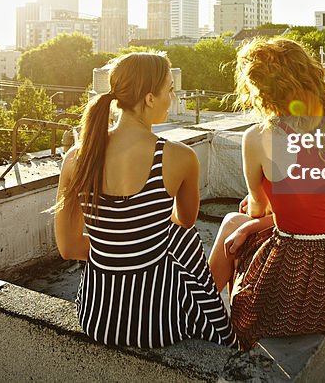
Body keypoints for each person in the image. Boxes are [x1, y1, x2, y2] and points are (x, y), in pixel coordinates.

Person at [54, 52, 235, 348]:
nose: (174, 98)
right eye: (170, 89)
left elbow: (68, 247)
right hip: (157, 323)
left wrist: (118, 250)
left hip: (97, 316)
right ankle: (221, 330)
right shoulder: (180, 157)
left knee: (167, 237)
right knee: (183, 238)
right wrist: (139, 247)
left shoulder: (77, 157)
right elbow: (186, 220)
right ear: (150, 98)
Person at [209, 38, 325, 350]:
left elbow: (257, 210)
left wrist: (257, 216)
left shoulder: (259, 137)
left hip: (298, 280)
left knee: (233, 222)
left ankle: (208, 313)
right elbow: (318, 209)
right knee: (236, 224)